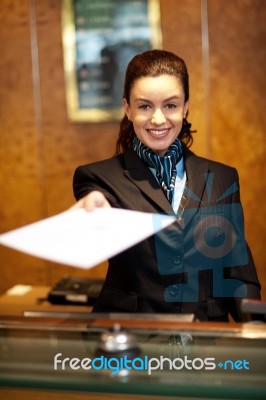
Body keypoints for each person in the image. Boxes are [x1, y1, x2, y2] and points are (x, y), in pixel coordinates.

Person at [72, 49, 261, 321]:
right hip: (132, 340)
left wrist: (254, 331)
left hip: (206, 340)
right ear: (127, 108)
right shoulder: (99, 178)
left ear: (185, 107)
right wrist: (93, 210)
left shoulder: (222, 178)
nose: (158, 119)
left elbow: (237, 273)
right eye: (145, 106)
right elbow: (94, 211)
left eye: (170, 105)